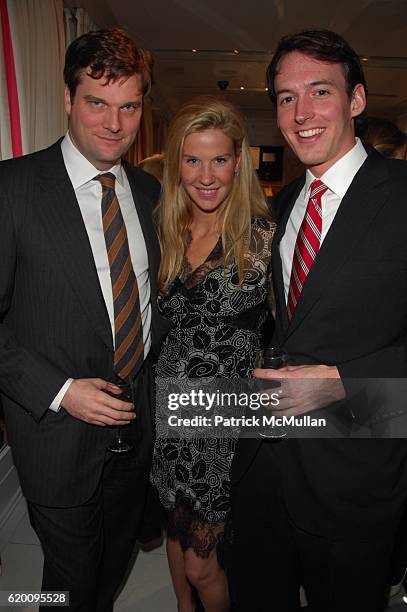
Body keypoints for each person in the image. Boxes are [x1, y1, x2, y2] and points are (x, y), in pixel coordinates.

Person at [231, 28, 407, 612]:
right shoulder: (280, 207)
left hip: (356, 478)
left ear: (356, 100)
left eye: (320, 92)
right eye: (286, 97)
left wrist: (344, 384)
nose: (301, 113)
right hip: (265, 472)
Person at [0, 27, 169, 611]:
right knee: (68, 581)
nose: (114, 124)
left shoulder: (149, 192)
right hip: (56, 436)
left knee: (112, 564)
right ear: (69, 97)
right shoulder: (11, 188)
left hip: (135, 430)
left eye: (128, 106)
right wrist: (60, 390)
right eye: (97, 102)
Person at [150, 96, 274, 612]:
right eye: (193, 159)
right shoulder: (166, 230)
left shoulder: (264, 237)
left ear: (238, 162)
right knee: (175, 534)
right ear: (176, 162)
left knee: (205, 563)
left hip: (222, 429)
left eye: (219, 159)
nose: (206, 175)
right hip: (168, 411)